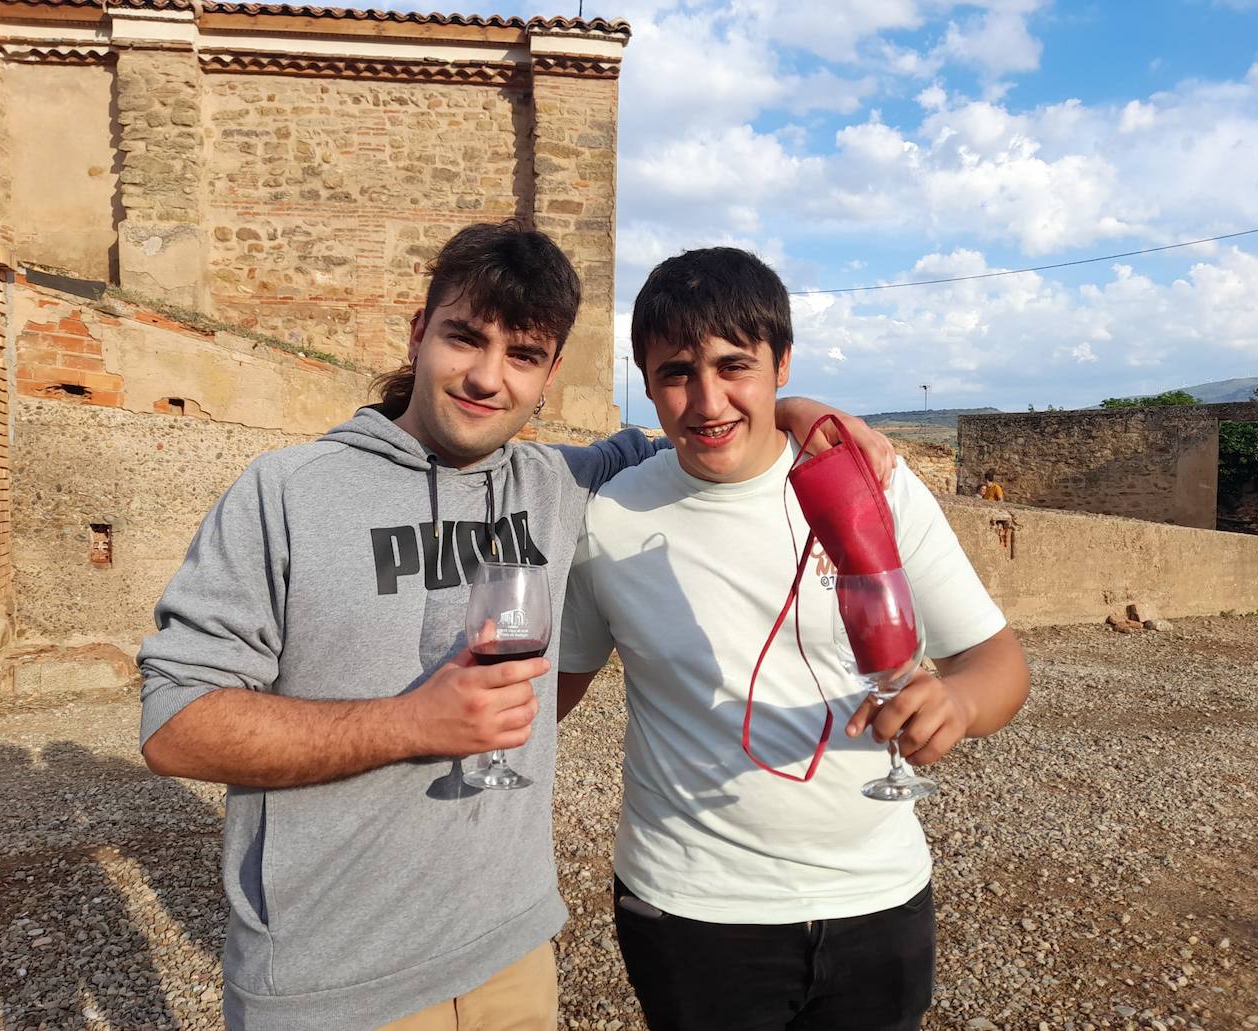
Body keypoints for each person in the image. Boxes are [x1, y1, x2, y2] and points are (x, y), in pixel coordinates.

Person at [137, 222, 893, 1031]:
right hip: (332, 982)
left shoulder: (559, 481)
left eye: (523, 355)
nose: (487, 377)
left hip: (513, 956)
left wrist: (805, 411)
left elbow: (695, 425)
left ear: (551, 374)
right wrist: (408, 723)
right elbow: (176, 727)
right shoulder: (288, 492)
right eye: (466, 338)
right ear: (420, 332)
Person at [558, 247, 1030, 1031]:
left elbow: (996, 662)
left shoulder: (870, 485)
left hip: (879, 897)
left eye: (734, 365)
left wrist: (959, 701)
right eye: (677, 372)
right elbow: (551, 695)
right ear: (645, 382)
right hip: (690, 908)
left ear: (782, 364)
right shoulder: (609, 518)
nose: (708, 399)